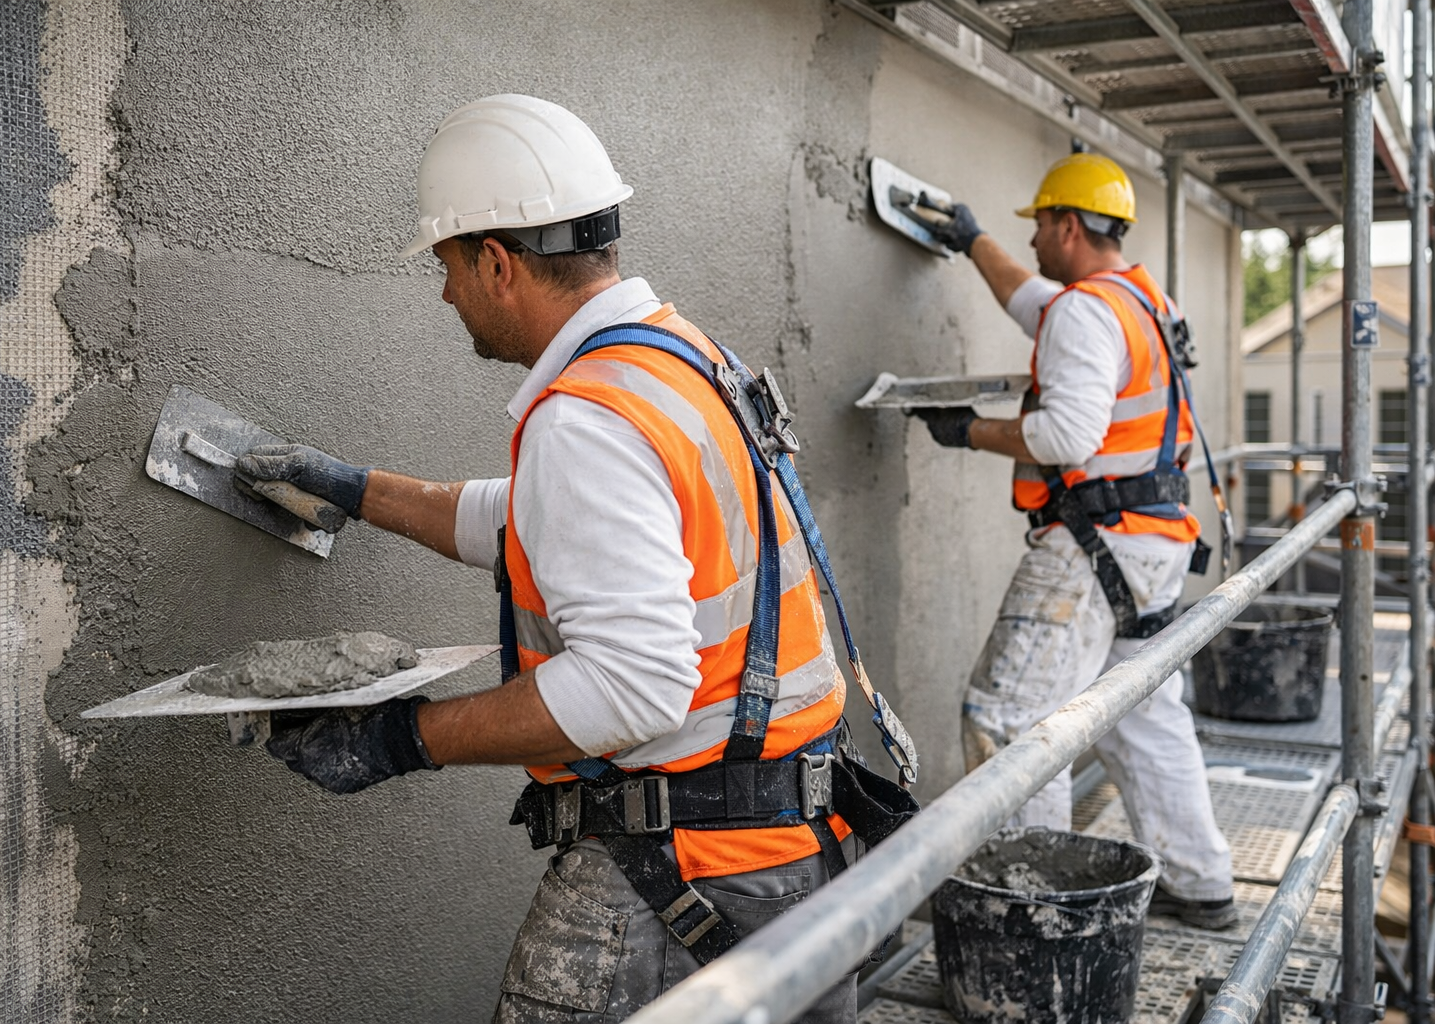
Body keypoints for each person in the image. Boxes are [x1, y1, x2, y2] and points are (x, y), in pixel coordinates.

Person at [236, 94, 916, 1023]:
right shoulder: (683, 361)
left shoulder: (586, 418)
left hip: (691, 868)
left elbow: (634, 688)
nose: (444, 296)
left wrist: (399, 739)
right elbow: (539, 525)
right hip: (790, 848)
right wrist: (356, 489)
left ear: (497, 263)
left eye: (446, 268)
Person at [916, 152, 1236, 928]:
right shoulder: (1140, 299)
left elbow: (1066, 433)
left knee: (1009, 717)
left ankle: (1035, 908)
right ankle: (1202, 883)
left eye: (1037, 228)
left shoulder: (1085, 311)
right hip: (1152, 542)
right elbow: (1034, 304)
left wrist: (968, 432)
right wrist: (970, 239)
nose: (1030, 245)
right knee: (1140, 717)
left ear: (1067, 224)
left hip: (1094, 546)